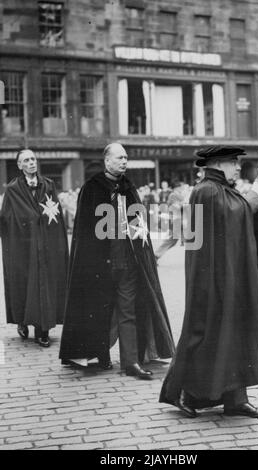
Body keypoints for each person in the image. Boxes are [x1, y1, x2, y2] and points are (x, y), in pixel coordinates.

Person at [160, 145, 258, 418]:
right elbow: (233, 216)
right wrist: (254, 197)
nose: (238, 168)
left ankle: (236, 398)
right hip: (213, 279)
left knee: (234, 334)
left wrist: (252, 204)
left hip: (227, 275)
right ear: (219, 163)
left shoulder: (220, 189)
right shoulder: (207, 190)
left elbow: (236, 215)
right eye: (235, 163)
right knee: (205, 335)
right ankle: (182, 393)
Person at [59, 143, 175, 379]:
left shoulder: (129, 187)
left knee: (128, 310)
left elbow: (139, 227)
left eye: (126, 157)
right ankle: (99, 354)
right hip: (100, 264)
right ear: (107, 161)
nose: (124, 161)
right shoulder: (92, 189)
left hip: (128, 262)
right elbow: (86, 232)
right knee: (98, 310)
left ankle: (130, 362)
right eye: (119, 157)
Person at [0, 149, 69, 347]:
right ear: (20, 166)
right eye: (26, 160)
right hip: (24, 246)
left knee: (44, 285)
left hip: (45, 245)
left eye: (33, 159)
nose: (31, 163)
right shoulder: (13, 189)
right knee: (23, 283)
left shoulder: (48, 185)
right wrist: (26, 221)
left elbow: (55, 215)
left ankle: (43, 330)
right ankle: (22, 321)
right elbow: (6, 218)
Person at [155, 181, 185, 262]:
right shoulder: (173, 195)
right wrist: (185, 204)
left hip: (180, 219)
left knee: (173, 240)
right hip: (176, 219)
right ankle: (156, 255)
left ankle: (156, 255)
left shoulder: (178, 195)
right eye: (181, 187)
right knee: (172, 240)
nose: (182, 188)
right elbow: (176, 207)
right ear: (176, 187)